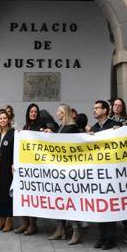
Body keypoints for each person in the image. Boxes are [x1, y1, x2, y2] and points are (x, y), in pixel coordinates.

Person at [49, 104, 81, 243]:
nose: (57, 113)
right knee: (60, 199)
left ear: (65, 113)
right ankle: (60, 228)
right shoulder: (61, 127)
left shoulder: (72, 127)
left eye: (60, 111)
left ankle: (76, 230)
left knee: (70, 200)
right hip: (60, 169)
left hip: (69, 170)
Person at [90, 100, 119, 249]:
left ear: (105, 110)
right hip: (98, 173)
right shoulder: (94, 128)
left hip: (111, 173)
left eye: (97, 108)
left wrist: (120, 131)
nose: (94, 110)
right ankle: (102, 236)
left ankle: (110, 238)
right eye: (94, 108)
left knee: (109, 206)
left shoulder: (114, 126)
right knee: (100, 206)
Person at [16, 104, 42, 235]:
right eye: (31, 111)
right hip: (25, 165)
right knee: (24, 195)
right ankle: (24, 223)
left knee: (33, 196)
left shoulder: (40, 127)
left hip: (35, 166)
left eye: (35, 112)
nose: (33, 113)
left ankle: (33, 224)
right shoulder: (26, 127)